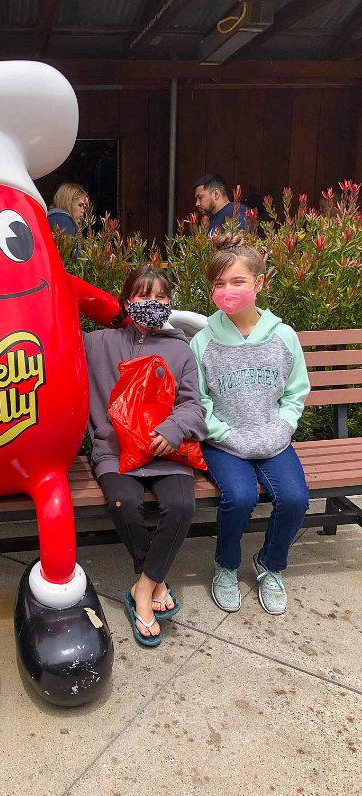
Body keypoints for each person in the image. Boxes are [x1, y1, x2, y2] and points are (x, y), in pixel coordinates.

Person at [84, 267, 208, 647]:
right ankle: (155, 582)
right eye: (143, 296)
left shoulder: (180, 350)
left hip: (167, 452)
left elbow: (193, 405)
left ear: (169, 303)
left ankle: (143, 587)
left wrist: (173, 429)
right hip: (116, 450)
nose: (152, 303)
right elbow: (51, 341)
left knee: (181, 506)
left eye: (160, 297)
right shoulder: (97, 344)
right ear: (126, 302)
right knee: (123, 504)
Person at [190, 233, 310, 616]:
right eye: (219, 283)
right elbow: (198, 400)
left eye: (238, 281)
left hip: (273, 439)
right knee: (239, 498)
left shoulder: (283, 336)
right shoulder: (203, 341)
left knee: (295, 499)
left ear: (259, 283)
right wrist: (224, 434)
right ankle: (226, 565)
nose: (228, 291)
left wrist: (282, 428)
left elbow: (296, 392)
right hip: (224, 443)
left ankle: (270, 564)